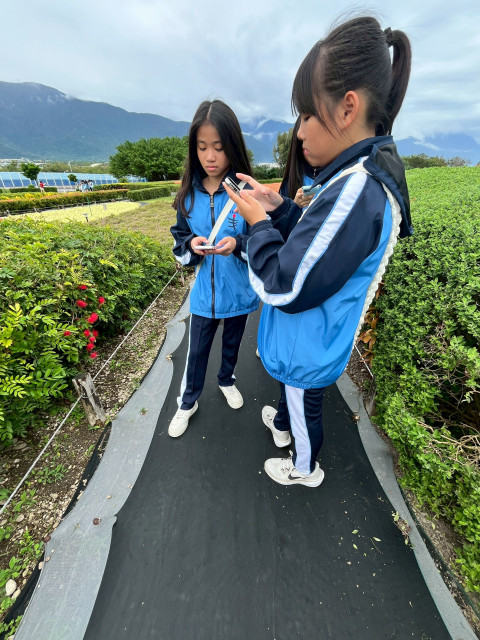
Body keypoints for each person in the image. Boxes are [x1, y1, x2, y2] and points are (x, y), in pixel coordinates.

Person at [224, 17, 412, 488]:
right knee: (294, 397)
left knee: (304, 402)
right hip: (308, 338)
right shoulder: (356, 177)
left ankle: (304, 469)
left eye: (307, 114)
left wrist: (258, 225)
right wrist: (281, 209)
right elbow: (319, 246)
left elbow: (285, 285)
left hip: (307, 342)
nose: (300, 132)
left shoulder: (356, 190)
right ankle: (284, 425)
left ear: (347, 108)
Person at [168, 100, 259, 438]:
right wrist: (192, 245)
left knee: (232, 345)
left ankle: (226, 380)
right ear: (194, 148)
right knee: (196, 353)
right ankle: (187, 402)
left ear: (232, 147)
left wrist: (237, 244)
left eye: (219, 147)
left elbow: (261, 238)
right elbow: (179, 239)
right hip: (204, 295)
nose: (210, 156)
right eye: (202, 146)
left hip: (239, 291)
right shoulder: (187, 196)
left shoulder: (245, 192)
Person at [279, 116, 319, 210]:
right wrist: (295, 207)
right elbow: (281, 219)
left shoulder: (343, 176)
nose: (301, 135)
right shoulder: (289, 184)